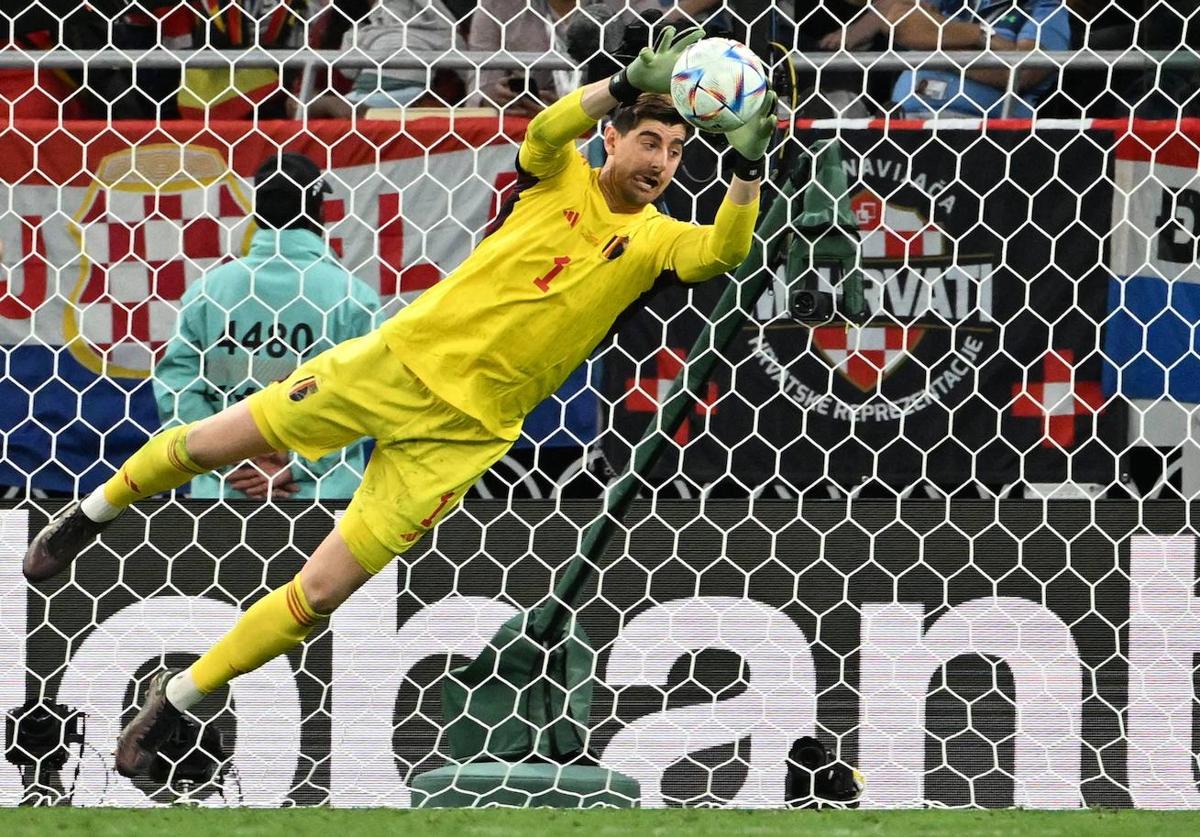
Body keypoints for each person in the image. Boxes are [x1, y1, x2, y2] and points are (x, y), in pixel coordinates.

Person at [21, 25, 777, 777]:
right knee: (208, 444)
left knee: (318, 595)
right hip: (394, 364)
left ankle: (175, 700)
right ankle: (91, 515)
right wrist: (616, 82)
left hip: (464, 437)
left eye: (677, 153)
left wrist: (747, 159)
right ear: (612, 141)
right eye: (649, 142)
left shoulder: (653, 241)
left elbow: (726, 252)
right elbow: (546, 129)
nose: (662, 164)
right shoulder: (559, 179)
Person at [153, 153, 380, 500]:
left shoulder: (208, 292)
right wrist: (300, 464)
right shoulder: (352, 299)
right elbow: (367, 399)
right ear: (319, 212)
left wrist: (229, 458)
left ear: (256, 214)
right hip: (322, 499)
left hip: (222, 497)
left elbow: (177, 389)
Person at [821, 0, 1071, 118]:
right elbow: (899, 20)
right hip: (900, 118)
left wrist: (936, 40)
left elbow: (1022, 71)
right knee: (835, 112)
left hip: (977, 128)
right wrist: (982, 36)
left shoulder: (1045, 9)